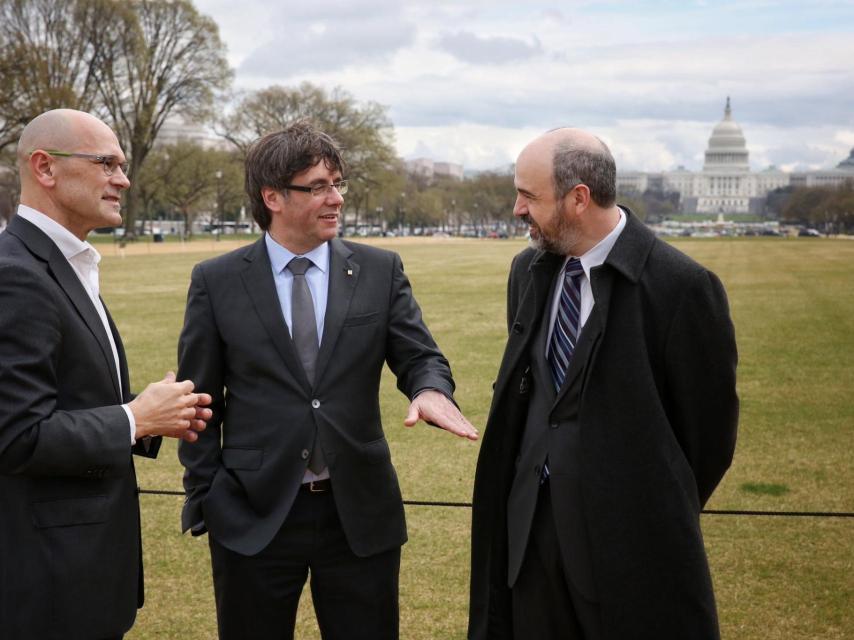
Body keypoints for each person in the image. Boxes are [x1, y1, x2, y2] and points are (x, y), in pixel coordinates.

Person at [177, 120, 478, 640]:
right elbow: (199, 400)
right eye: (317, 186)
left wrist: (430, 389)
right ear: (272, 195)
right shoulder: (216, 281)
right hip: (253, 515)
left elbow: (420, 356)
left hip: (358, 514)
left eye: (338, 183)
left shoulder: (381, 270)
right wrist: (209, 496)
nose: (335, 198)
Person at [468, 128, 738, 639]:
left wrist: (638, 504)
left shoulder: (682, 288)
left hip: (627, 547)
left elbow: (707, 441)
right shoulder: (526, 271)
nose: (516, 209)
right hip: (529, 537)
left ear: (578, 198)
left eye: (528, 196)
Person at [0, 109, 212, 639]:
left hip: (81, 572)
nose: (124, 178)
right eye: (107, 164)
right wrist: (134, 419)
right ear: (45, 168)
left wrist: (157, 413)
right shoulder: (17, 275)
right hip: (46, 584)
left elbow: (66, 399)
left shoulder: (63, 263)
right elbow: (17, 437)